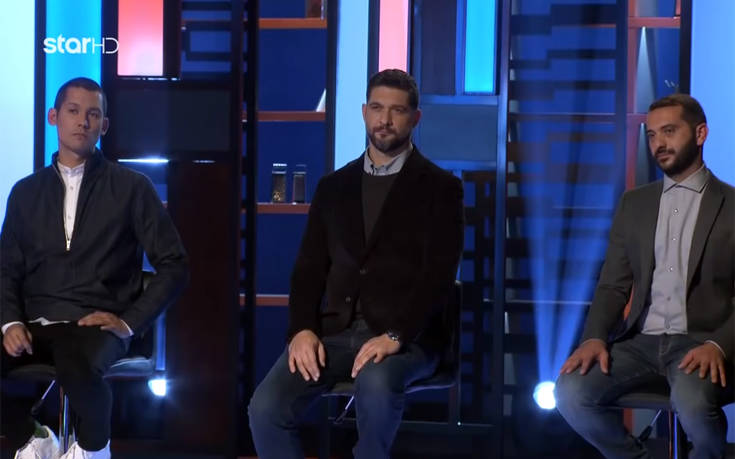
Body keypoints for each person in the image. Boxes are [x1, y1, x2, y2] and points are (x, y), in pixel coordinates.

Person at [247, 69, 464, 459]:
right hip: (333, 335)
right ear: (364, 112)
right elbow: (308, 269)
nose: (385, 120)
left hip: (405, 339)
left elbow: (439, 277)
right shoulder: (333, 187)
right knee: (265, 409)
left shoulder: (442, 188)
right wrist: (301, 330)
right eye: (377, 108)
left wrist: (396, 335)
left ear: (415, 118)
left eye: (397, 111)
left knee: (376, 383)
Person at [1, 77, 189, 459]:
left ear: (104, 125)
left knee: (76, 362)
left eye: (93, 115)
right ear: (54, 116)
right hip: (37, 323)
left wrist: (129, 322)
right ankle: (31, 437)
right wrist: (10, 322)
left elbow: (175, 265)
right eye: (73, 111)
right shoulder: (25, 192)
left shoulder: (132, 187)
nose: (82, 122)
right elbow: (6, 269)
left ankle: (92, 448)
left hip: (98, 325)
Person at [555, 94, 735, 459]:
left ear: (700, 134)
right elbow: (613, 284)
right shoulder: (634, 203)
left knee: (692, 402)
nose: (658, 144)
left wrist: (718, 345)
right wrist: (594, 337)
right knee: (570, 392)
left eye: (669, 131)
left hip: (704, 341)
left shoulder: (731, 205)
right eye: (651, 135)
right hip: (640, 344)